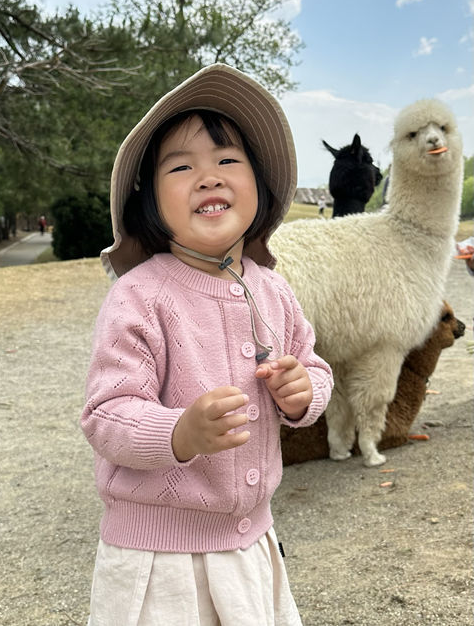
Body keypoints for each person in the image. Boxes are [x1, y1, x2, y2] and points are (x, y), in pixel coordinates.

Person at [81, 64, 333, 626]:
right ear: (149, 200)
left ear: (259, 186)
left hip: (252, 544)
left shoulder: (272, 287)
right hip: (161, 560)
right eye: (181, 166)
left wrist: (303, 393)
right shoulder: (140, 296)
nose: (208, 177)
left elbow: (315, 367)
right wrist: (178, 432)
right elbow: (106, 414)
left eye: (227, 161)